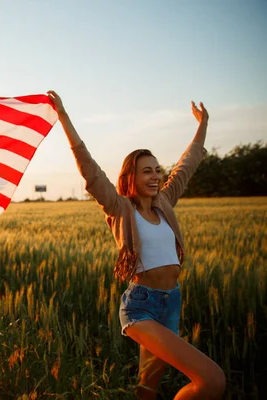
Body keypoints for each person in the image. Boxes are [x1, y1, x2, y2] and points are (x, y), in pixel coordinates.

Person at [48, 91, 226, 399]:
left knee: (147, 388)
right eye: (148, 170)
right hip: (140, 307)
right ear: (131, 176)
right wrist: (63, 117)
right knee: (212, 381)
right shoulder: (120, 208)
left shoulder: (165, 203)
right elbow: (88, 168)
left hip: (170, 303)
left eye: (158, 170)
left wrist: (203, 125)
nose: (156, 176)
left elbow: (187, 165)